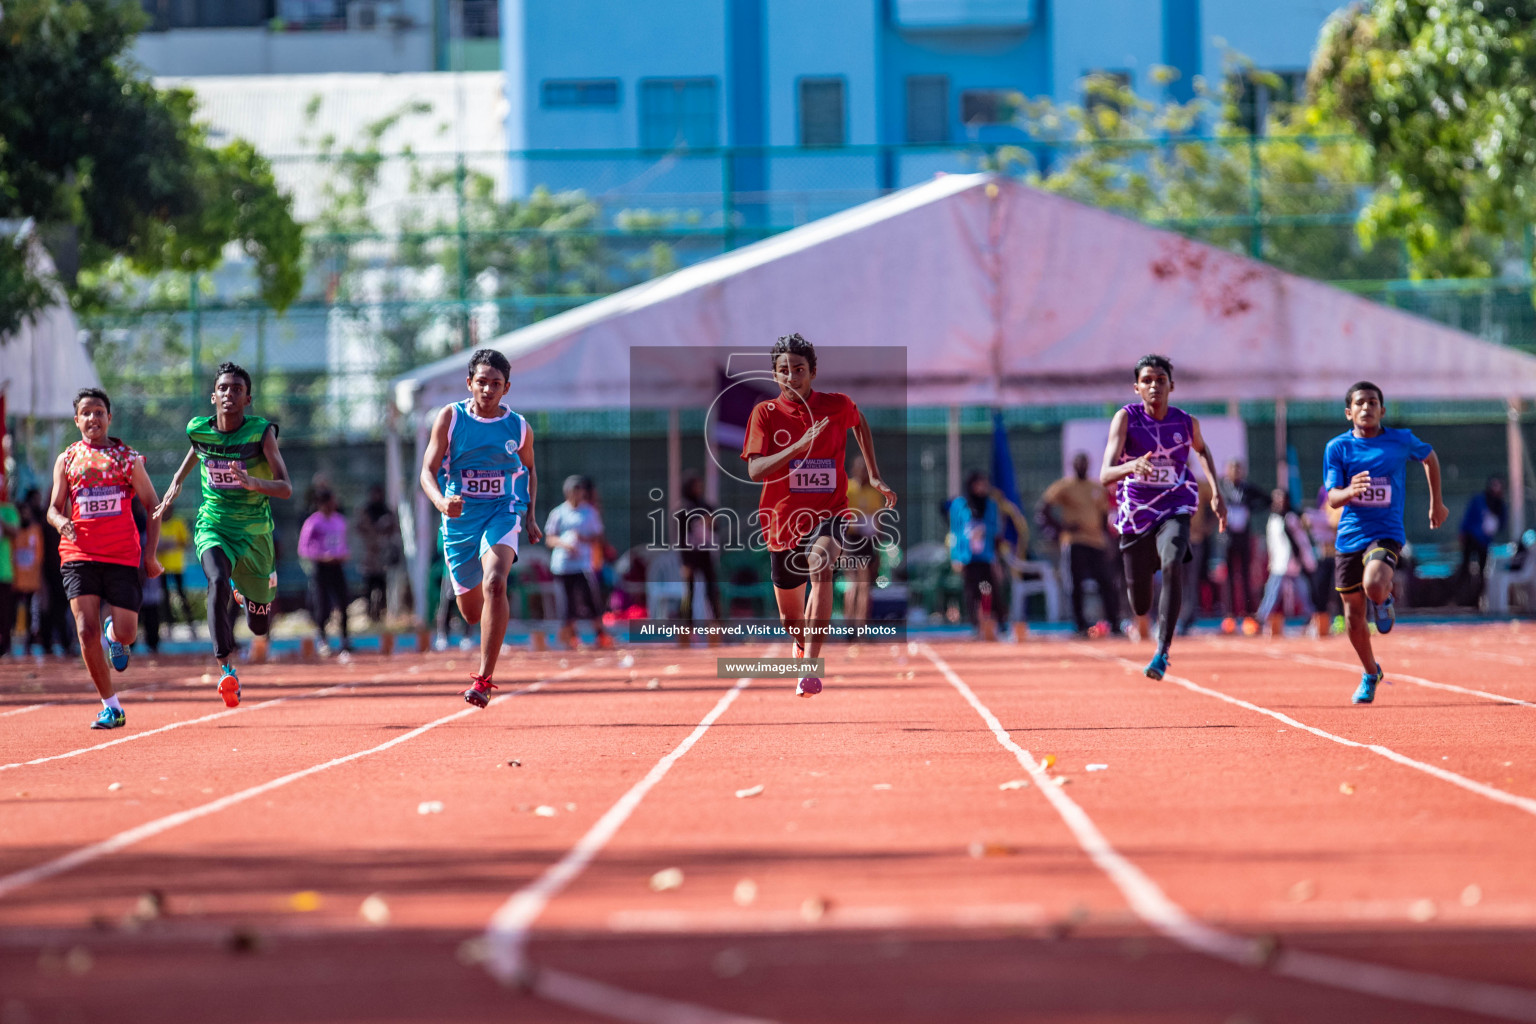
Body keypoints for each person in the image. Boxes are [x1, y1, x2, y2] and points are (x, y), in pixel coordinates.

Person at [741, 332, 896, 697]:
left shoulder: (837, 405)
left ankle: (810, 666)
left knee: (821, 562)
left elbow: (860, 423)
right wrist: (798, 446)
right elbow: (755, 470)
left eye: (799, 370)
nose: (791, 377)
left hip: (830, 513)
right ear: (774, 375)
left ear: (813, 372)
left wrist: (873, 473)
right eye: (783, 371)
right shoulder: (765, 413)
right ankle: (800, 644)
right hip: (781, 522)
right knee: (790, 619)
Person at [158, 362, 293, 707]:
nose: (229, 394)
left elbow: (285, 488)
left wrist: (253, 482)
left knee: (259, 627)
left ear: (248, 399)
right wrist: (175, 483)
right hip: (214, 524)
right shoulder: (198, 429)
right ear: (213, 396)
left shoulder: (261, 434)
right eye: (223, 389)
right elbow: (198, 449)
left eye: (236, 389)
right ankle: (226, 668)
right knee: (216, 579)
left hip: (255, 534)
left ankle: (249, 592)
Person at [419, 348, 542, 707]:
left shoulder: (518, 426)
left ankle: (484, 680)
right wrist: (443, 502)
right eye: (482, 382)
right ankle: (483, 635)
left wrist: (530, 515)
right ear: (469, 383)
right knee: (472, 613)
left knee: (495, 582)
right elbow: (427, 471)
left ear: (507, 389)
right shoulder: (451, 418)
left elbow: (531, 469)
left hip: (502, 512)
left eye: (496, 384)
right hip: (459, 521)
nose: (488, 390)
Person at [1100, 354, 1226, 680]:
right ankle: (1147, 583)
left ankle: (1162, 651)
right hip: (1136, 515)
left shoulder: (1185, 422)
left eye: (1160, 379)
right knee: (1140, 604)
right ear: (1136, 387)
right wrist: (1132, 466)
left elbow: (1202, 450)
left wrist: (1217, 492)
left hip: (1175, 505)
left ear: (1172, 385)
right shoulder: (1125, 418)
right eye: (1147, 380)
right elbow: (1104, 474)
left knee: (1172, 561)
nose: (1154, 385)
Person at [1324, 381, 1448, 704]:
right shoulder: (1337, 448)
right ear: (1349, 412)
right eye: (1360, 403)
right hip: (1350, 537)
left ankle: (1382, 600)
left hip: (1386, 532)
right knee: (1352, 617)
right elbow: (1333, 497)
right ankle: (1370, 672)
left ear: (1382, 410)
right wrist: (1349, 491)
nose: (1367, 408)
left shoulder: (1400, 440)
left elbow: (1430, 457)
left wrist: (1437, 503)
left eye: (1373, 402)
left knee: (1375, 584)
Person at [46, 388, 163, 729]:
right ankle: (111, 706)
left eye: (99, 412)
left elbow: (152, 506)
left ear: (109, 418)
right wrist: (60, 520)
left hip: (122, 556)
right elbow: (52, 509)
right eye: (86, 412)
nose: (93, 418)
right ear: (76, 420)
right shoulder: (67, 459)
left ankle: (115, 636)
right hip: (78, 553)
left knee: (127, 633)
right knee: (85, 628)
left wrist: (151, 556)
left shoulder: (128, 459)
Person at [1039, 452, 1120, 637]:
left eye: (1084, 462)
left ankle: (1114, 623)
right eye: (1078, 463)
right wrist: (1060, 528)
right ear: (1073, 465)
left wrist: (1108, 540)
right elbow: (1043, 509)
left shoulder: (1096, 487)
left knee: (1107, 582)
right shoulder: (1064, 487)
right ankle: (1080, 624)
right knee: (1076, 584)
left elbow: (1102, 516)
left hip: (1097, 542)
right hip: (1075, 542)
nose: (1082, 466)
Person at [545, 475, 611, 650]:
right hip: (562, 566)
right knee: (567, 604)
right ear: (567, 492)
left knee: (591, 600)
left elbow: (599, 536)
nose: (578, 493)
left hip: (582, 565)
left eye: (580, 490)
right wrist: (564, 544)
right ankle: (572, 637)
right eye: (575, 490)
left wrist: (581, 538)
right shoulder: (558, 513)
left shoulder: (589, 512)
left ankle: (601, 634)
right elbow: (550, 539)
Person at [948, 471, 1005, 635]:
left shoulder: (991, 504)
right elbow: (956, 531)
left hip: (985, 555)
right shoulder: (960, 505)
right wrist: (956, 556)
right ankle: (976, 624)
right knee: (972, 591)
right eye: (979, 484)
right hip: (968, 556)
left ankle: (999, 621)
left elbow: (995, 529)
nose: (982, 488)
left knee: (990, 589)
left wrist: (983, 531)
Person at [1253, 489, 1317, 632]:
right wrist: (1271, 559)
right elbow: (1272, 543)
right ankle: (1262, 617)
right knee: (1273, 590)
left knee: (1301, 590)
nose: (1279, 502)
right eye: (1277, 499)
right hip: (1279, 562)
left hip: (1292, 562)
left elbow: (1299, 540)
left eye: (1282, 499)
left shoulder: (1291, 518)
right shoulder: (1273, 519)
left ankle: (1312, 616)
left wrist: (1302, 558)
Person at [1218, 460, 1269, 632]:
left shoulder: (1246, 488)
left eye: (1238, 469)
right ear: (1226, 471)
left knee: (1246, 577)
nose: (1235, 472)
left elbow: (1266, 499)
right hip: (1227, 538)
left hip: (1244, 537)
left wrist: (1249, 507)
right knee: (1230, 577)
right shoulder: (1221, 487)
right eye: (1232, 469)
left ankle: (1248, 615)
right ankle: (1230, 615)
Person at [299, 488, 351, 653]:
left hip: (337, 567)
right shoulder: (313, 523)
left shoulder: (339, 521)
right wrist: (322, 556)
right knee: (321, 604)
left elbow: (342, 543)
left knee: (343, 602)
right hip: (321, 568)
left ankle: (345, 639)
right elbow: (303, 548)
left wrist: (343, 554)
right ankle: (322, 639)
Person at [675, 473, 726, 626]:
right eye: (695, 485)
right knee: (688, 592)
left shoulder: (706, 506)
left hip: (705, 554)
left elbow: (716, 527)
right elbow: (681, 536)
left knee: (712, 588)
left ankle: (716, 623)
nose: (699, 489)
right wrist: (684, 562)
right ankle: (686, 625)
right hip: (690, 556)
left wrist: (711, 522)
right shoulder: (682, 508)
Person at [1453, 476, 1507, 606]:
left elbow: (1502, 524)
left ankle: (1476, 600)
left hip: (1484, 542)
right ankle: (1459, 598)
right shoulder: (1479, 500)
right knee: (1465, 568)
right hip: (1472, 538)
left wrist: (1495, 525)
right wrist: (1463, 533)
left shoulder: (1500, 505)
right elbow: (1467, 517)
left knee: (1482, 572)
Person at [842, 456, 883, 625]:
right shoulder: (848, 489)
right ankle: (849, 624)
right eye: (861, 469)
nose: (864, 473)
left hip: (868, 540)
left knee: (865, 584)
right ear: (854, 470)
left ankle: (861, 625)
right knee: (853, 582)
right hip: (850, 539)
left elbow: (878, 521)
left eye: (867, 469)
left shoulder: (874, 493)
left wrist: (878, 546)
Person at [355, 483, 399, 622]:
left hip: (382, 557)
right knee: (368, 586)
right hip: (369, 556)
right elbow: (359, 528)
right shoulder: (365, 511)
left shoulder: (387, 512)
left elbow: (393, 529)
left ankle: (380, 613)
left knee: (382, 586)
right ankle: (369, 613)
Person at [156, 512, 195, 638]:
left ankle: (191, 625)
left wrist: (173, 544)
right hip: (161, 568)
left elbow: (187, 543)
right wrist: (162, 546)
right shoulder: (156, 522)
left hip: (177, 566)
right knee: (164, 597)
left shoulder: (178, 522)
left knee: (182, 595)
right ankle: (168, 626)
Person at [12, 497, 43, 655]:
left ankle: (31, 642)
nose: (24, 515)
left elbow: (39, 555)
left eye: (27, 512)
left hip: (32, 581)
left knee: (32, 613)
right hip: (16, 580)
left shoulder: (35, 530)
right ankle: (15, 642)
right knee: (15, 612)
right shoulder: (15, 530)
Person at [0, 482, 17, 657]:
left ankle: (5, 649)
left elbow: (15, 532)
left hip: (4, 572)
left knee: (5, 616)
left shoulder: (8, 510)